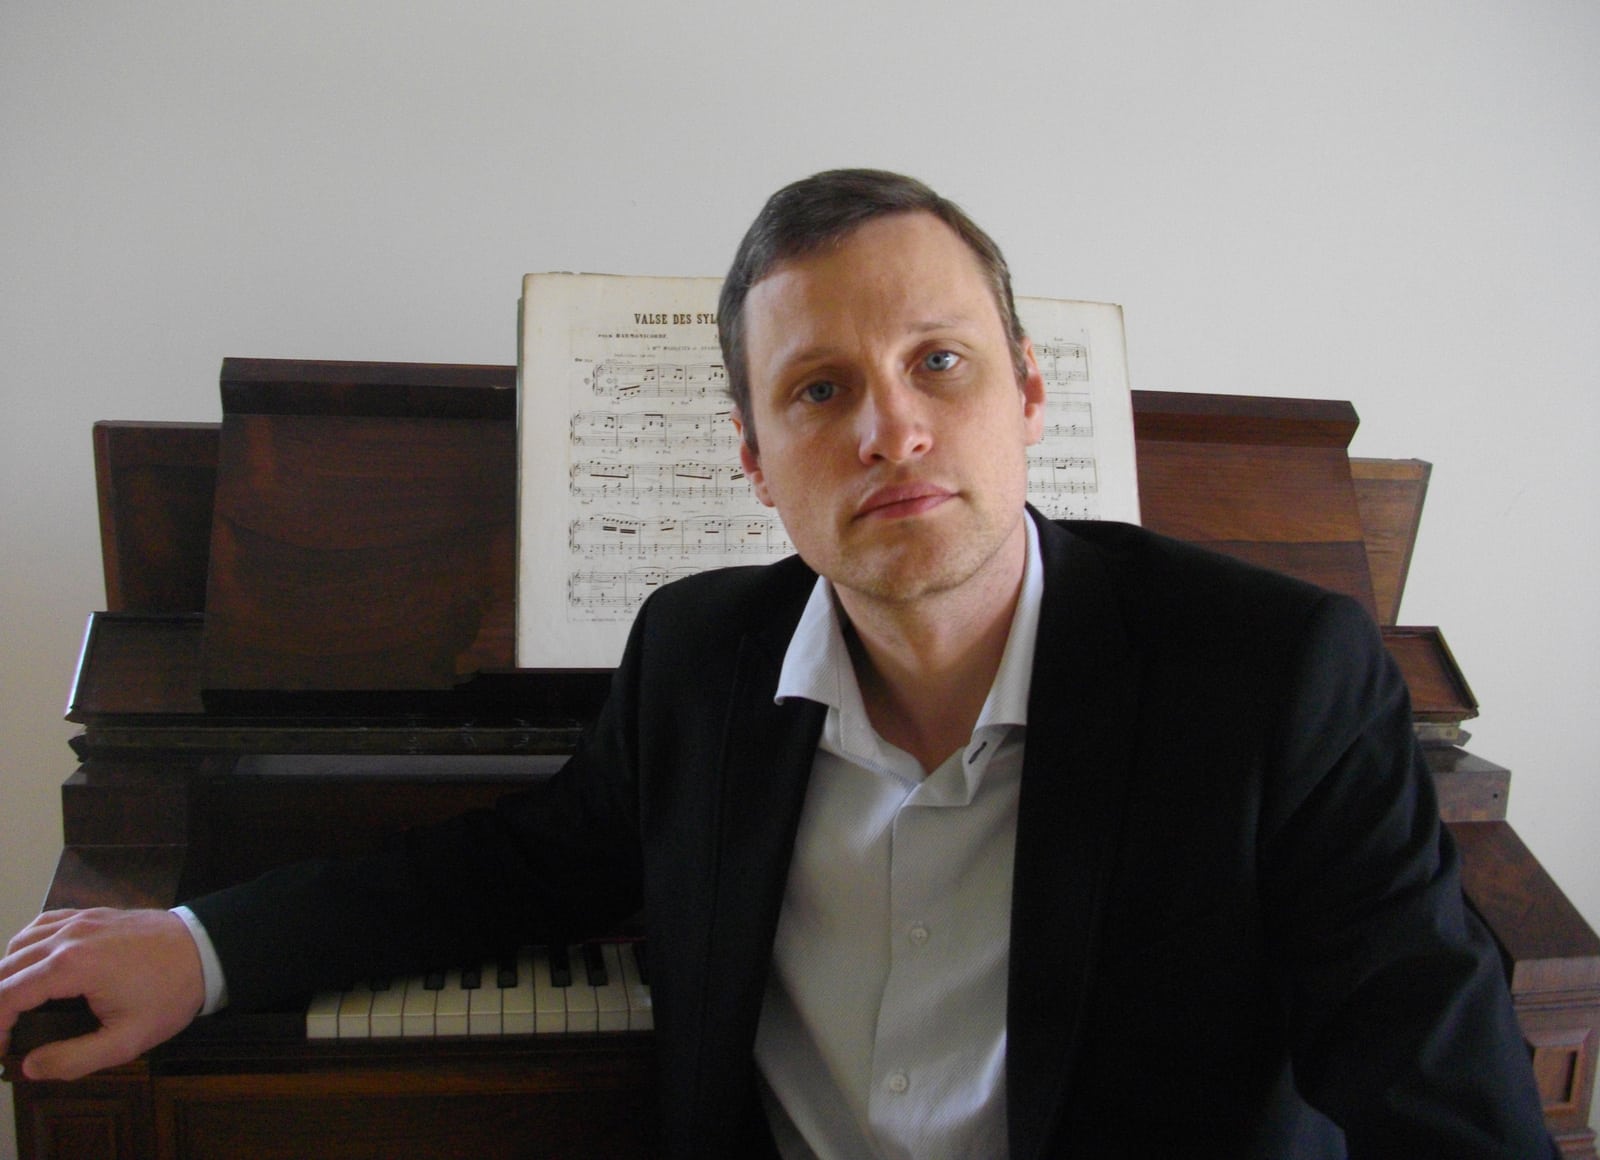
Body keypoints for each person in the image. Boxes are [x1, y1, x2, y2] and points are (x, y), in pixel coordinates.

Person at [0, 169, 1557, 1159]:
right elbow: (513, 869)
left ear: (1029, 396)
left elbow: (1442, 1093)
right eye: (819, 390)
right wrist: (201, 946)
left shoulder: (1274, 679)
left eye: (938, 363)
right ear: (755, 462)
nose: (890, 428)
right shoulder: (699, 656)